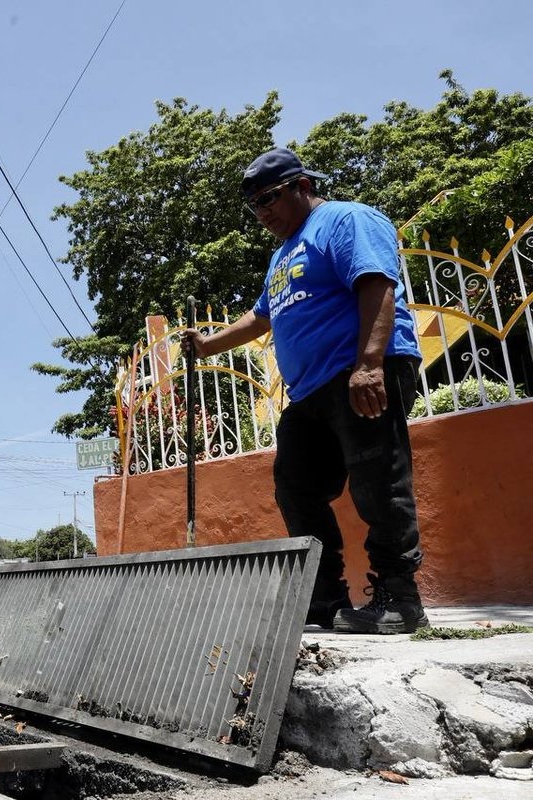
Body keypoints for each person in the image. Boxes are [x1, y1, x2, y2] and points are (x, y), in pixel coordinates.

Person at [181, 147, 427, 635]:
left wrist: (369, 365)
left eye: (270, 198)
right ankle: (323, 598)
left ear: (303, 185)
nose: (263, 212)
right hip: (309, 391)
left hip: (357, 371)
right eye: (254, 205)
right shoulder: (281, 255)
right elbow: (262, 316)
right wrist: (209, 345)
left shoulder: (346, 220)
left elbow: (377, 283)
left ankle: (400, 597)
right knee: (296, 485)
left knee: (378, 482)